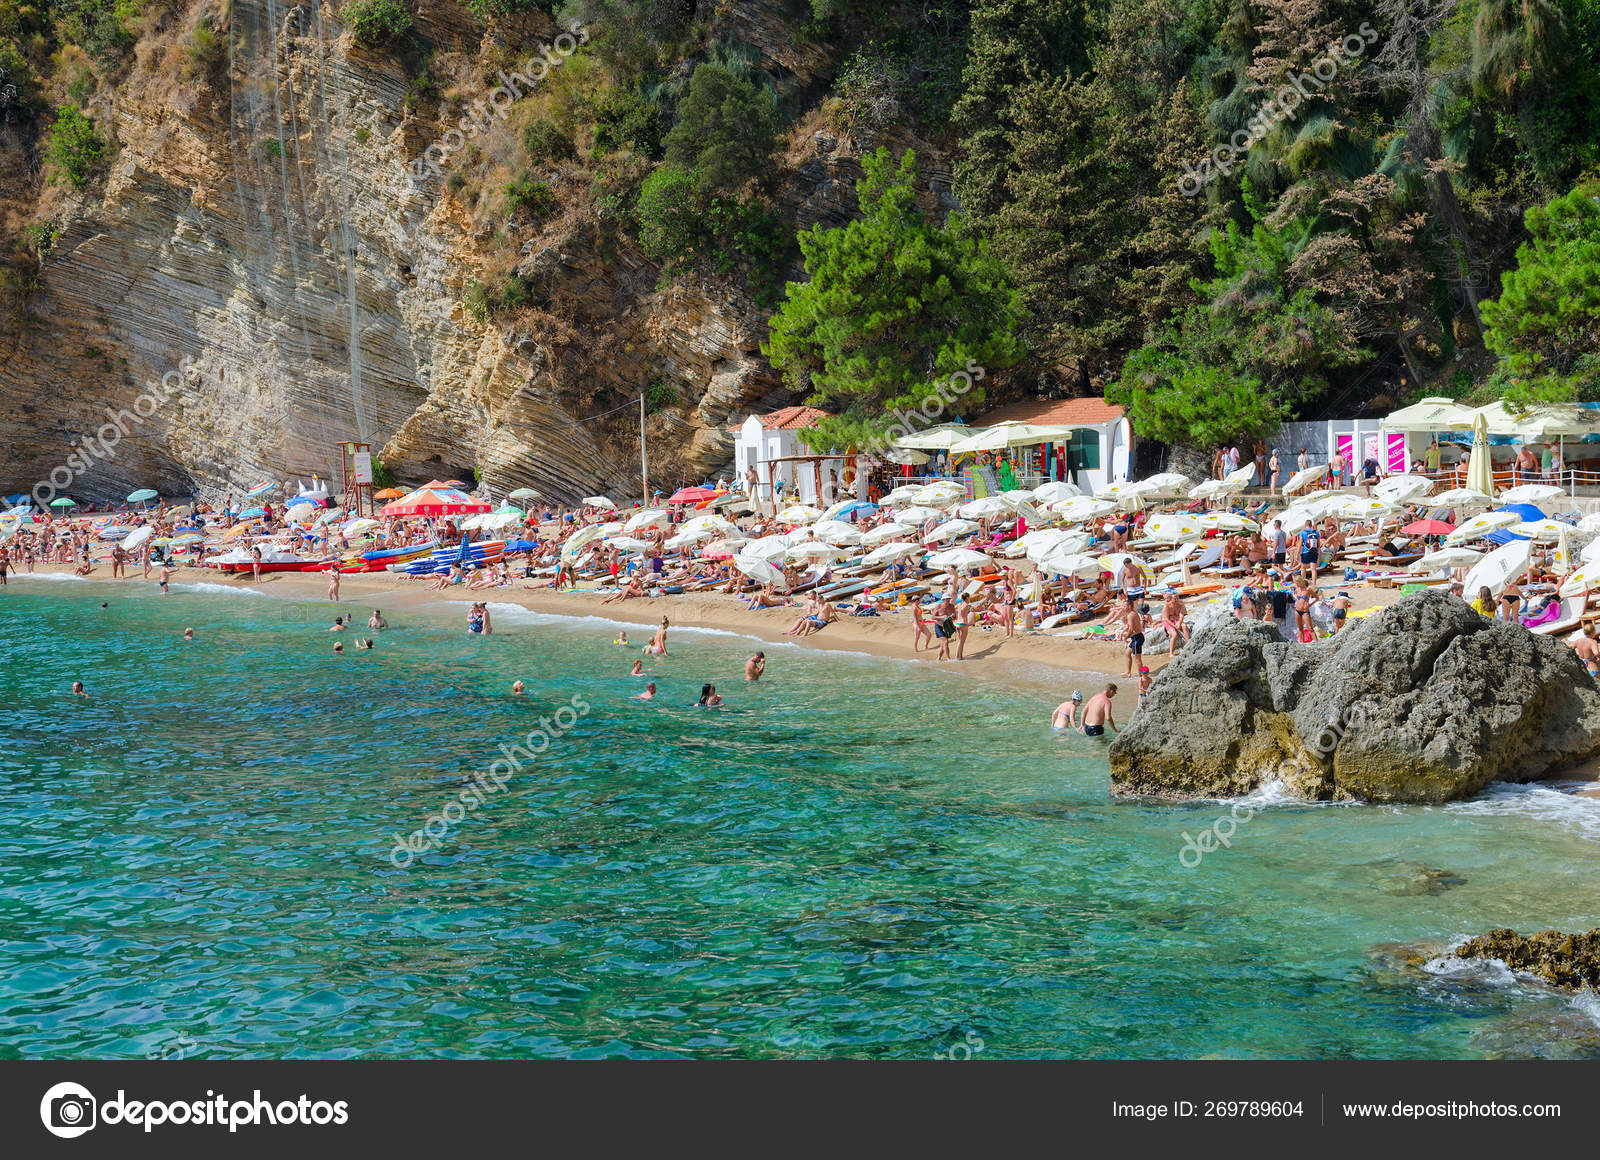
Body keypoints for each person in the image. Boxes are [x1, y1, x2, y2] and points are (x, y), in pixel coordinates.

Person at [1123, 596, 1145, 677]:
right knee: (1127, 653)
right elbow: (1130, 627)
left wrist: (1126, 636)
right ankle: (1128, 672)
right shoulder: (1133, 613)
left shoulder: (1130, 615)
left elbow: (1131, 629)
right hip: (1136, 637)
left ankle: (1141, 676)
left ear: (1129, 606)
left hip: (1137, 638)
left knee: (1137, 659)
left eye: (1124, 606)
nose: (1123, 608)